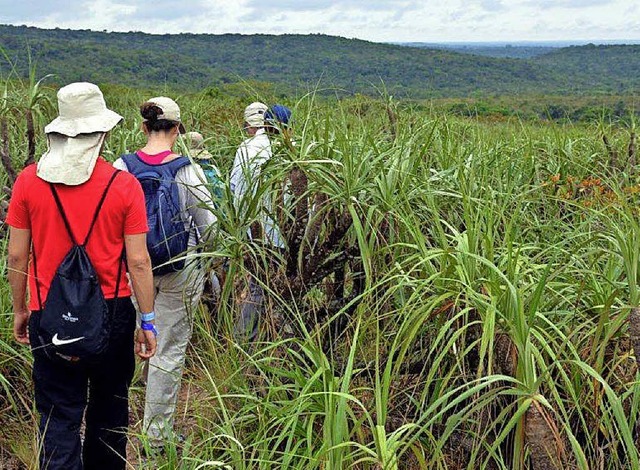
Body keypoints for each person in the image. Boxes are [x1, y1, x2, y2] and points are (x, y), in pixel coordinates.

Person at [6, 82, 157, 470]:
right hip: (112, 313)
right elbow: (138, 262)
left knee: (58, 417)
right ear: (102, 133)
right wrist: (148, 320)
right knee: (109, 416)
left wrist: (20, 310)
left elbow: (17, 253)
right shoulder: (124, 187)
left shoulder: (28, 181)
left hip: (48, 313)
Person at [113, 97, 216, 450]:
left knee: (130, 337)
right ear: (176, 130)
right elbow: (209, 225)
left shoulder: (121, 167)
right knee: (168, 350)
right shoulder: (189, 170)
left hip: (130, 267)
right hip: (179, 267)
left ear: (143, 127)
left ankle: (117, 418)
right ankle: (157, 437)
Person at [229, 102, 292, 342]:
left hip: (251, 232)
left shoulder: (246, 148)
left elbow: (234, 188)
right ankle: (271, 340)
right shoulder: (289, 150)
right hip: (280, 234)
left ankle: (246, 340)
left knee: (257, 285)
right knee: (281, 286)